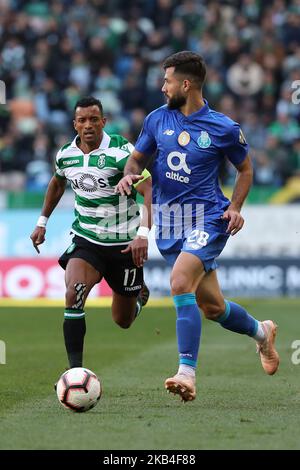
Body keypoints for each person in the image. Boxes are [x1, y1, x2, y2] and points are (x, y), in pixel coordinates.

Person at [116, 51, 279, 402]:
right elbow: (136, 159)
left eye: (168, 81)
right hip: (170, 222)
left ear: (185, 84)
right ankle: (262, 332)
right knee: (213, 307)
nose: (162, 87)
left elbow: (246, 170)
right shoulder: (157, 120)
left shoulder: (223, 127)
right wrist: (130, 175)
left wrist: (235, 208)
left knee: (178, 282)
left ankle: (186, 372)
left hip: (207, 217)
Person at [30, 96, 152, 370]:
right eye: (82, 120)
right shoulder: (65, 154)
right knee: (74, 295)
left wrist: (142, 234)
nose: (88, 125)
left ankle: (139, 297)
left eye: (94, 120)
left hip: (124, 244)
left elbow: (147, 190)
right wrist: (42, 222)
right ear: (75, 124)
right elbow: (57, 183)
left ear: (103, 122)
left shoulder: (122, 151)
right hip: (87, 239)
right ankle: (74, 373)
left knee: (123, 320)